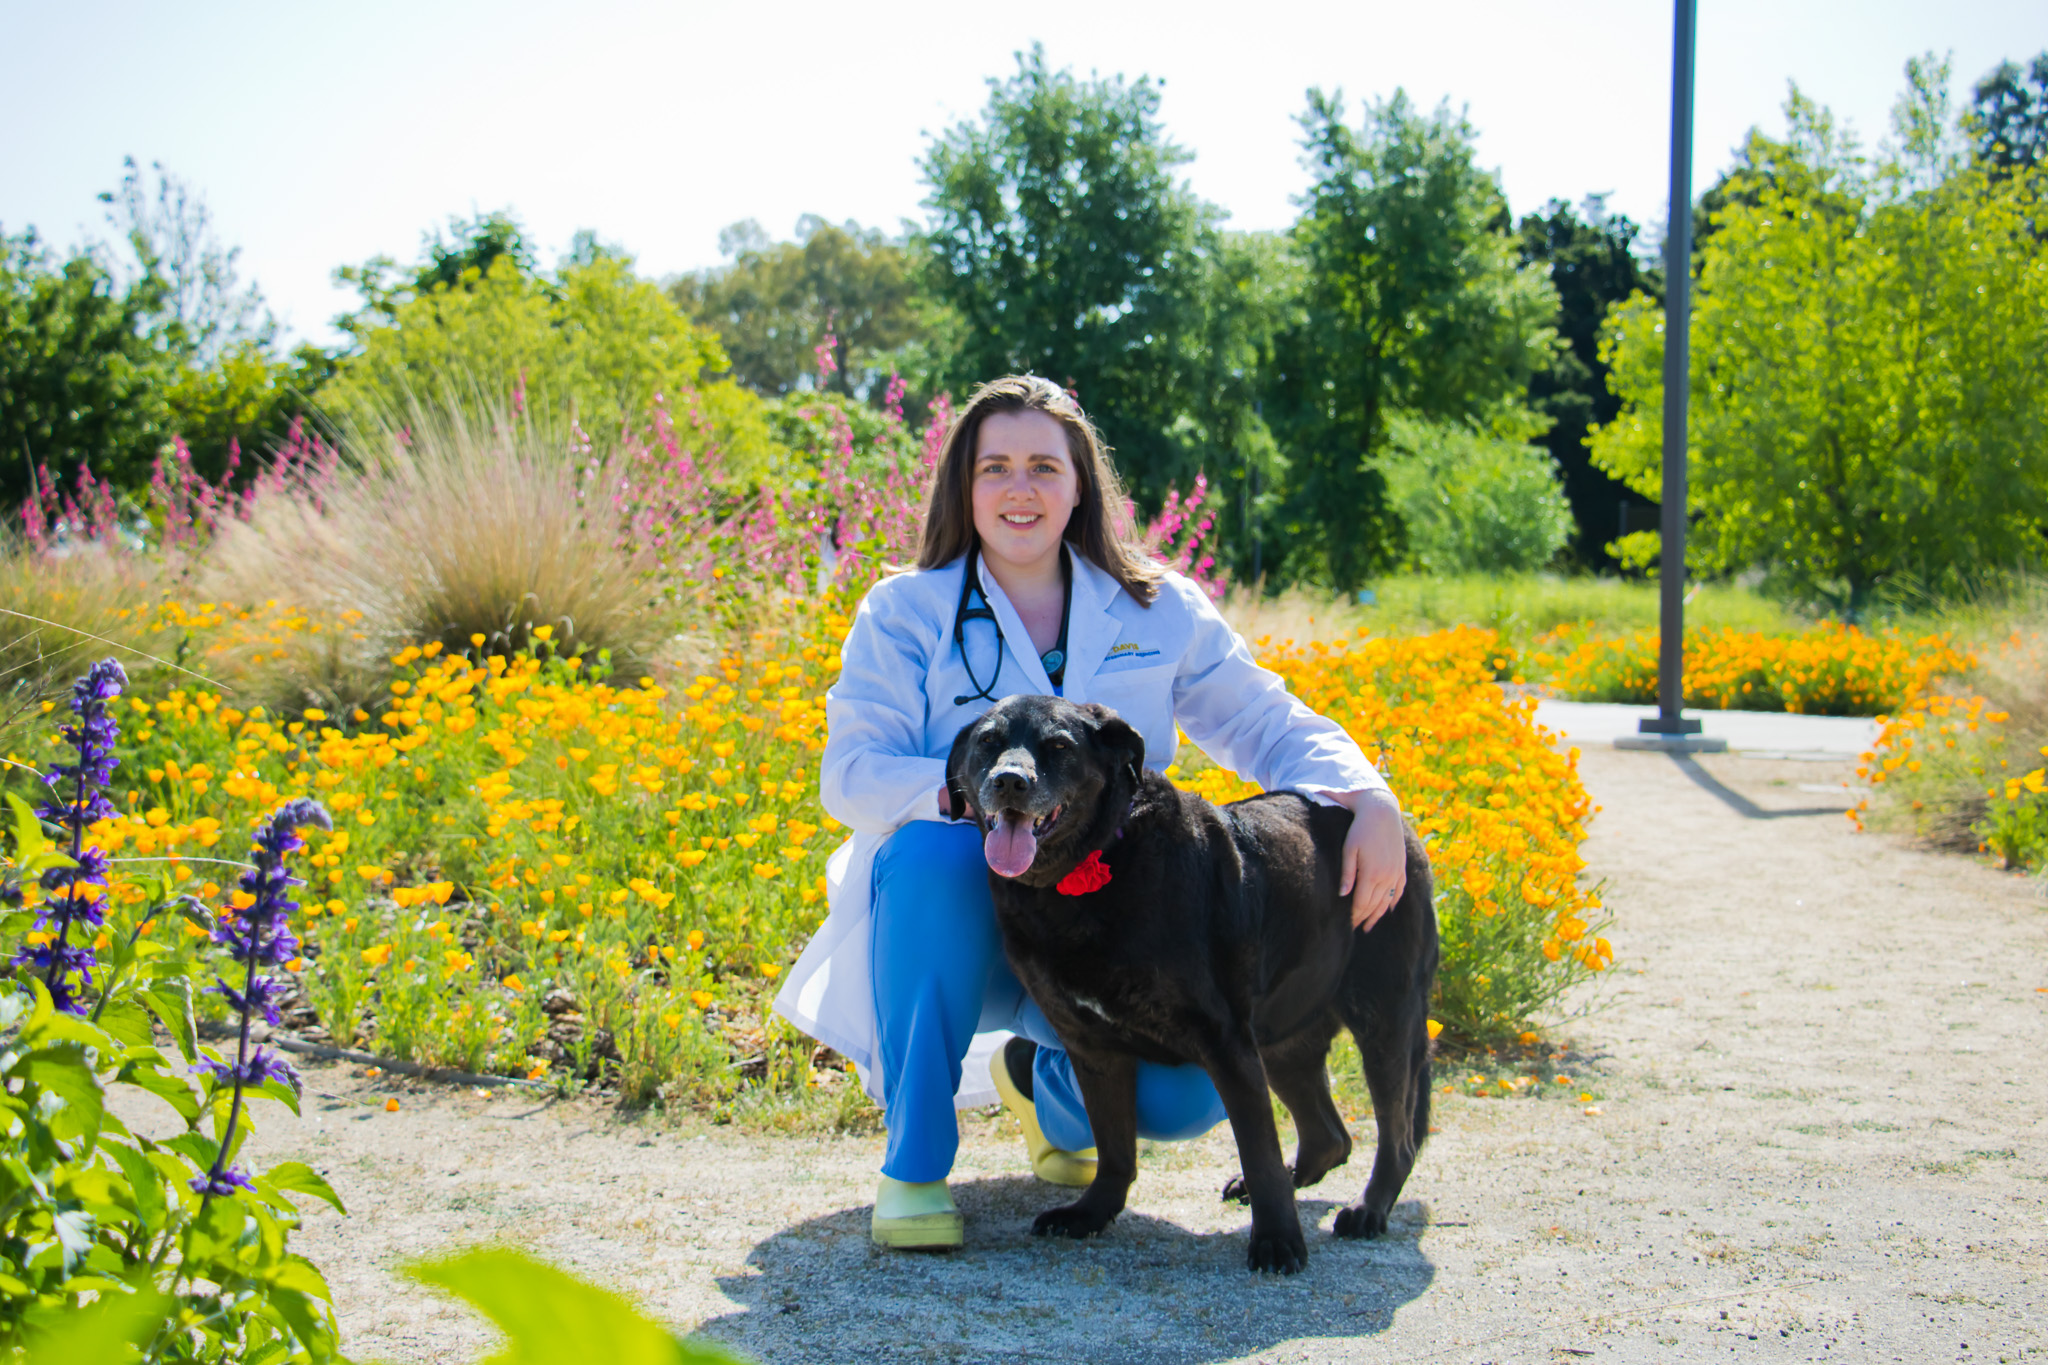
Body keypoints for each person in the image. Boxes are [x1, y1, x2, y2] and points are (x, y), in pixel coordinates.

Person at [773, 375, 1409, 1250]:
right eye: (994, 467)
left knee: (1185, 1095)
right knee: (933, 858)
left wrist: (1368, 797)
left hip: (1112, 927)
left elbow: (1261, 719)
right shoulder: (905, 610)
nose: (1020, 488)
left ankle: (1047, 1083)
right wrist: (974, 796)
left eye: (1044, 465)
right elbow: (849, 772)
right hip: (956, 914)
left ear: (1082, 485)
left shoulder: (1156, 604)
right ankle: (915, 1166)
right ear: (964, 486)